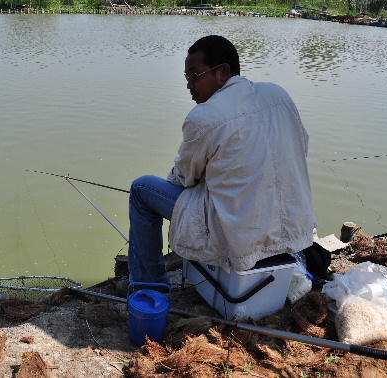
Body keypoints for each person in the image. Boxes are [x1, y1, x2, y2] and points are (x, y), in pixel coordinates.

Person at [128, 35, 316, 285]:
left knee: (142, 189)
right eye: (187, 78)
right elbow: (301, 146)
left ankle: (148, 286)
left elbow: (184, 177)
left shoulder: (203, 117)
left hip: (240, 234)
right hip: (292, 227)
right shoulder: (278, 93)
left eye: (195, 76)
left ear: (223, 71)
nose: (189, 86)